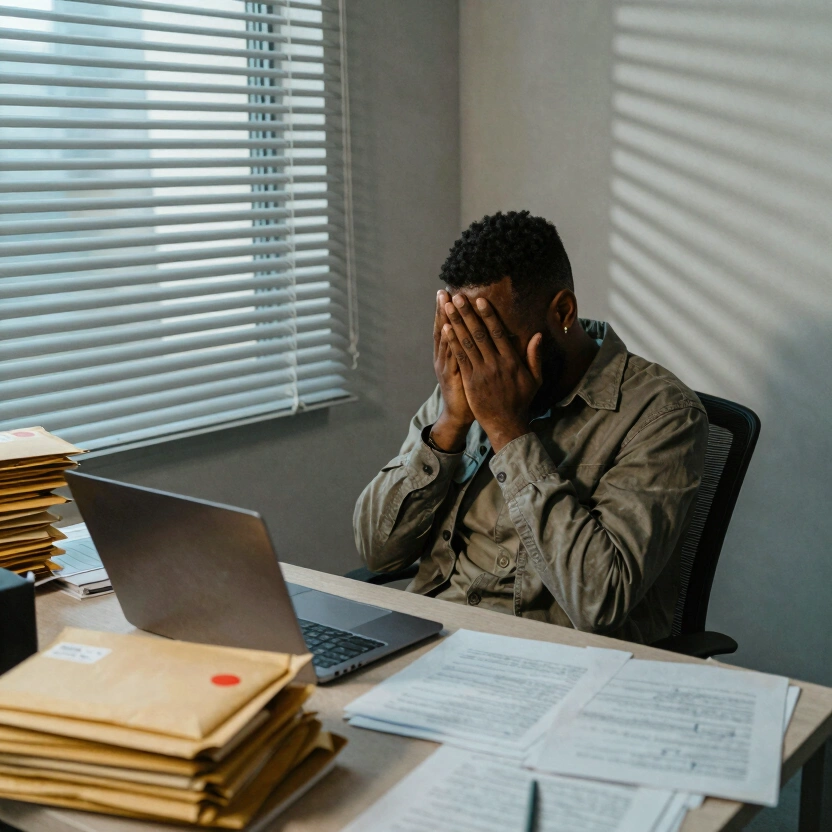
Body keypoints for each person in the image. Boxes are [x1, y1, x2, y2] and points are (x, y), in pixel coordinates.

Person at [353, 211, 708, 644]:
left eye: (493, 339)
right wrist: (449, 424)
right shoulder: (464, 385)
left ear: (562, 311)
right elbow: (377, 552)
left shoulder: (662, 415)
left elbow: (599, 601)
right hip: (431, 636)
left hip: (550, 660)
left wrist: (507, 431)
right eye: (465, 338)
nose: (479, 362)